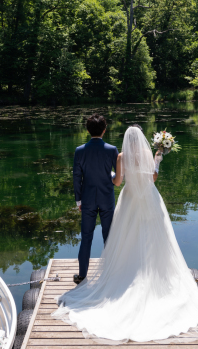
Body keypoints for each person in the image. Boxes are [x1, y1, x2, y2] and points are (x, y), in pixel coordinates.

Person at [53, 125, 198, 342]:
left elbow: (118, 182)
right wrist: (158, 159)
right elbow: (153, 178)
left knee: (127, 236)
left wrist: (107, 174)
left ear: (127, 140)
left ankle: (128, 270)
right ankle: (152, 269)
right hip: (149, 197)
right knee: (154, 238)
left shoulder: (120, 156)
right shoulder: (148, 154)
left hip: (129, 199)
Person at [72, 114, 119, 283]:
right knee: (109, 237)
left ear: (87, 130)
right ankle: (111, 274)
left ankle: (82, 275)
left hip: (88, 199)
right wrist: (111, 174)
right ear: (104, 130)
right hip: (107, 198)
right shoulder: (112, 150)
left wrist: (79, 201)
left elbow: (77, 177)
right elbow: (117, 175)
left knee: (86, 237)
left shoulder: (80, 151)